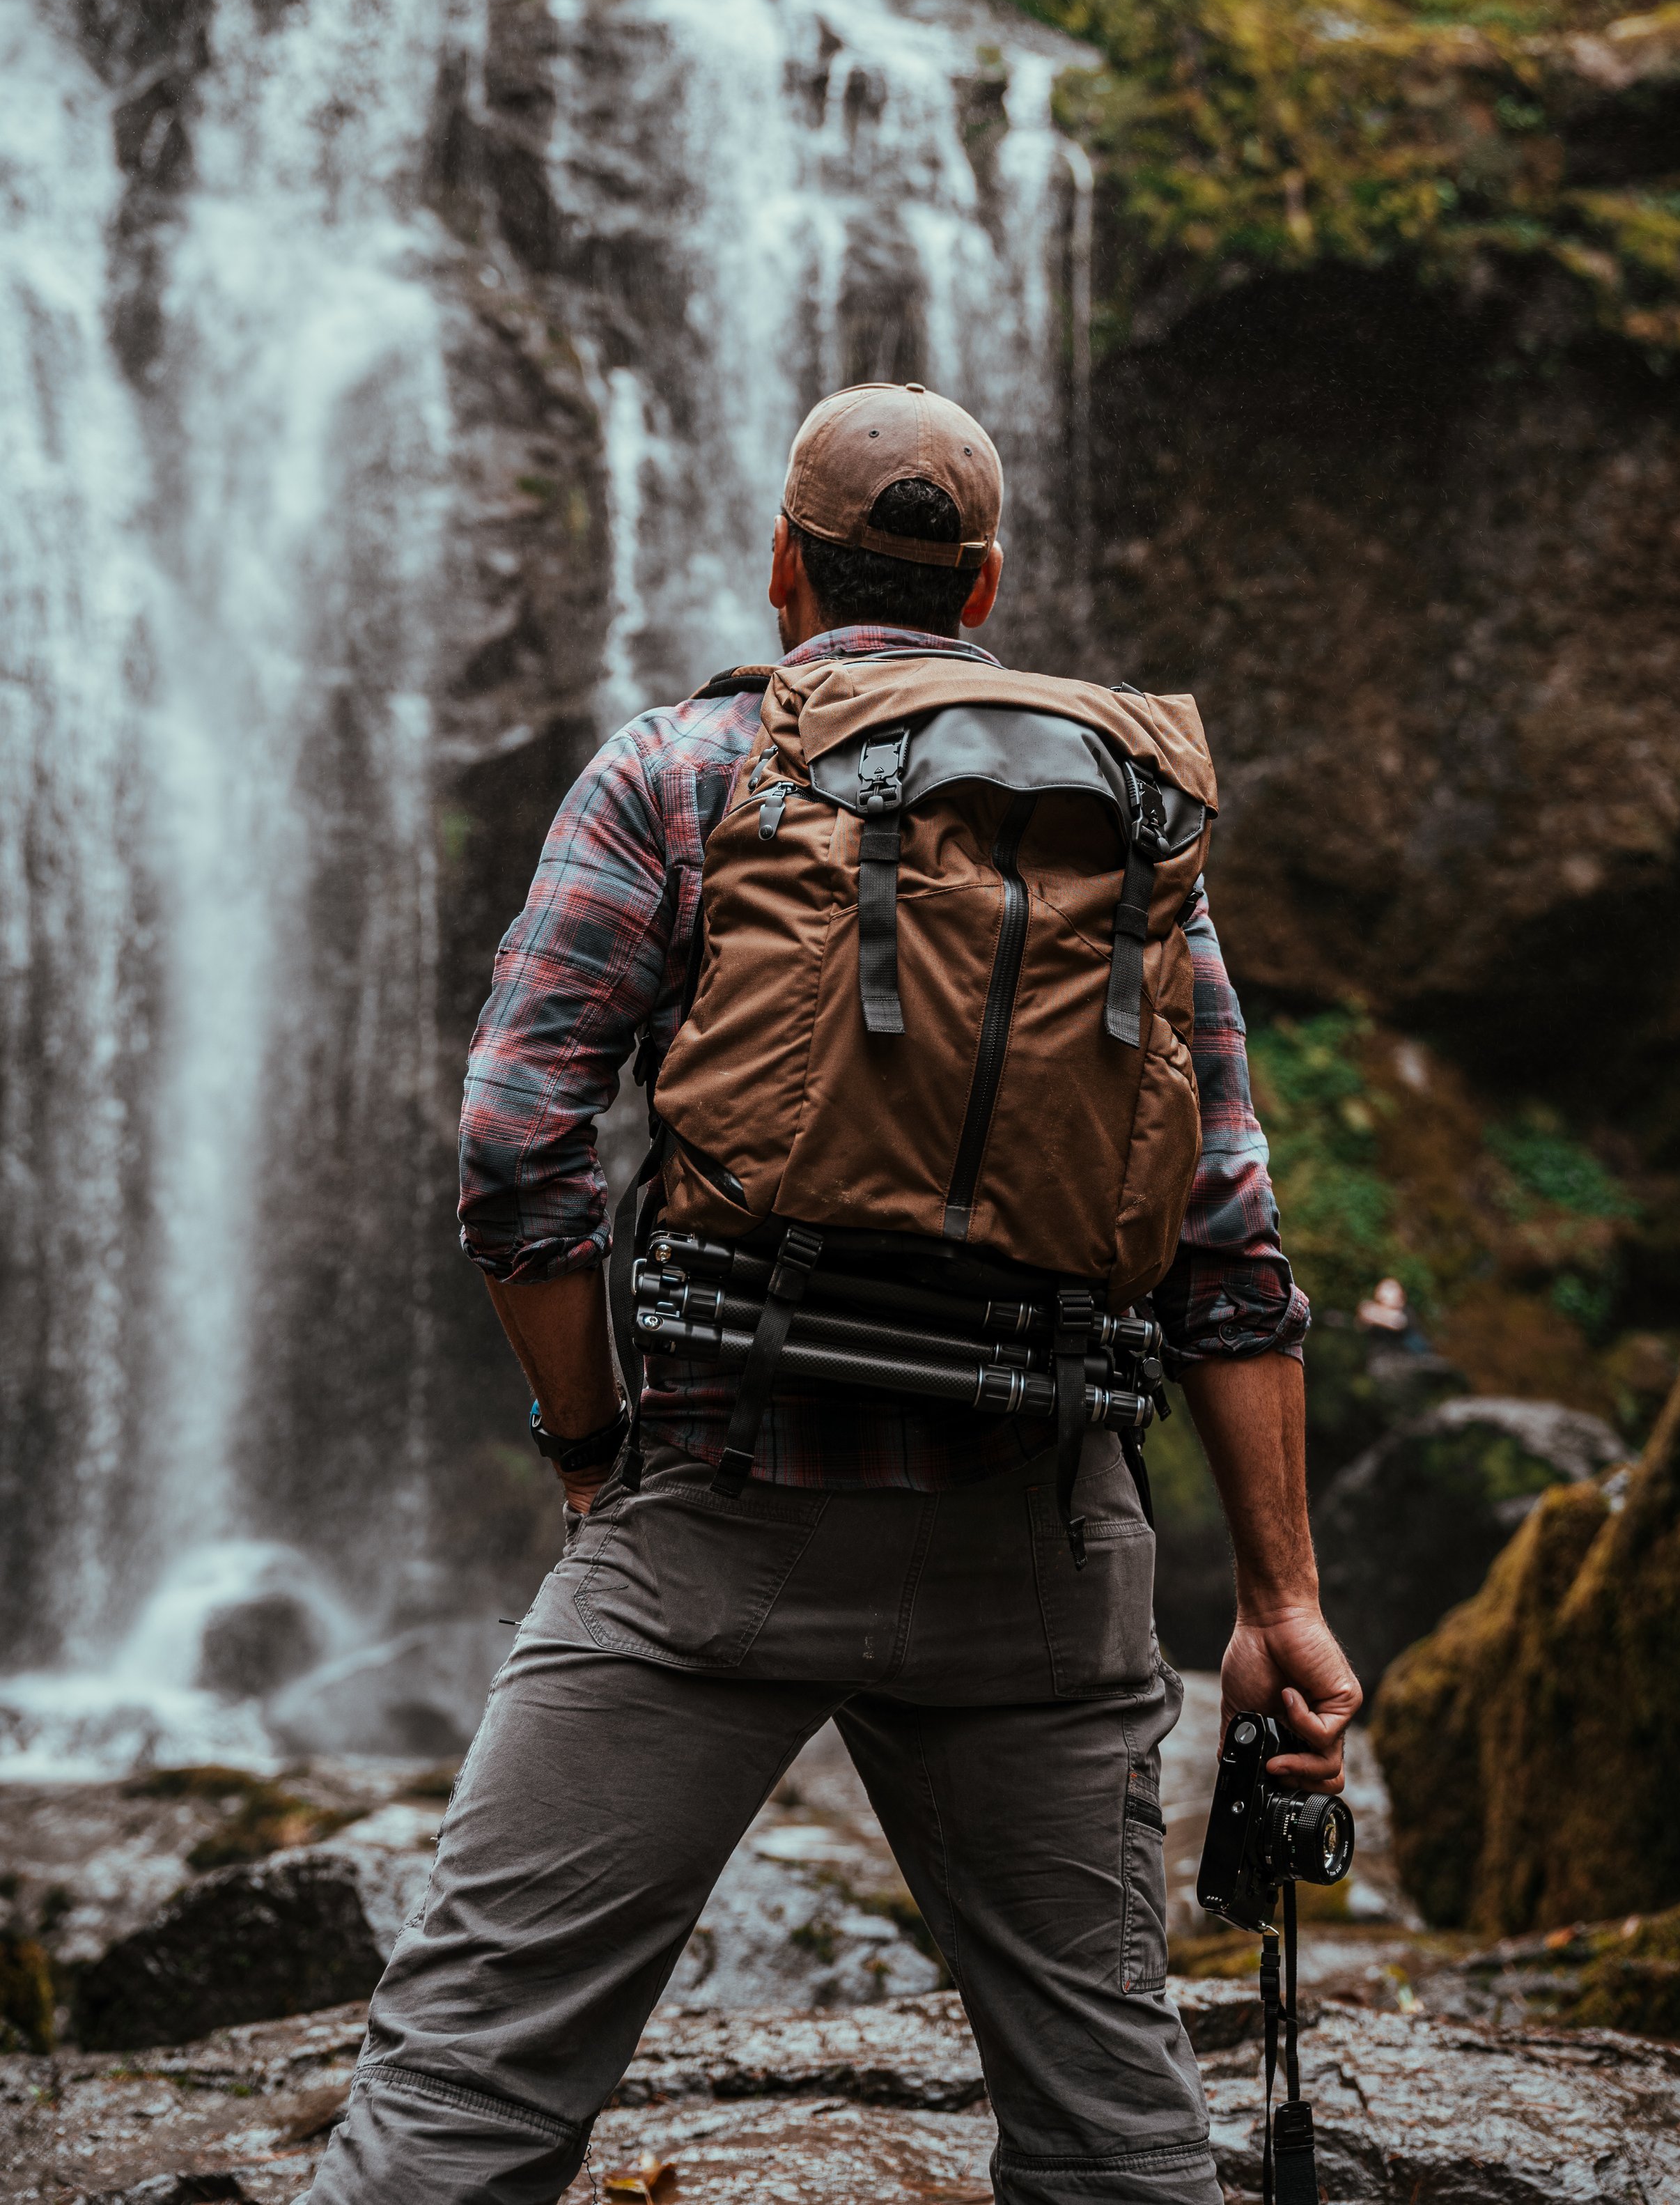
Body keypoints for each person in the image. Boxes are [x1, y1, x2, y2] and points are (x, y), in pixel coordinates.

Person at [309, 382, 1361, 2205]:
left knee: (464, 2091)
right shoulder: (1121, 826)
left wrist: (589, 1450)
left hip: (717, 1514)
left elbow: (513, 1141)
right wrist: (1277, 1597)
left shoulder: (680, 771)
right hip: (1037, 1547)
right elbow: (1224, 1233)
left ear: (780, 567)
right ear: (987, 584)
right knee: (1116, 2124)